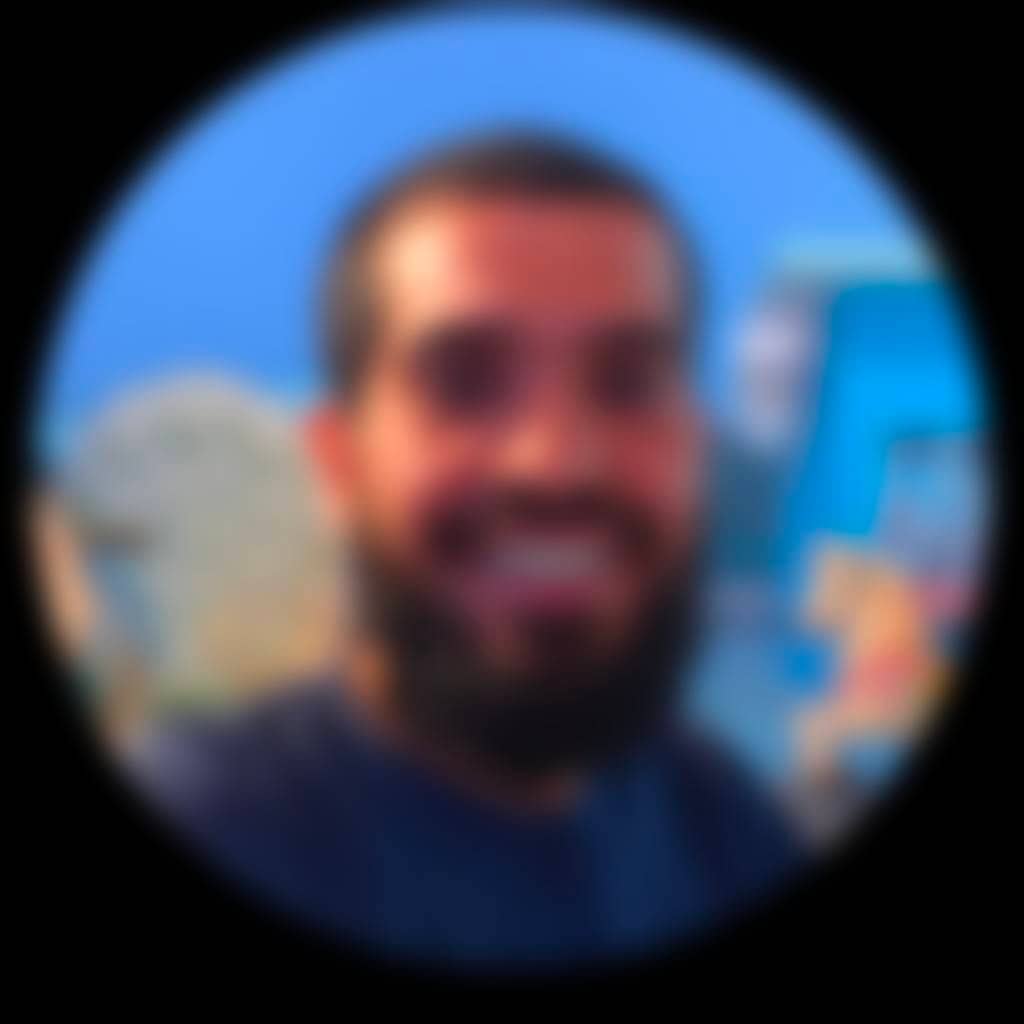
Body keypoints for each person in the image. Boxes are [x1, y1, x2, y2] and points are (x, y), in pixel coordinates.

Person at [128, 132, 802, 969]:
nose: (555, 463)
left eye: (628, 382)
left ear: (693, 449)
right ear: (338, 465)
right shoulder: (209, 826)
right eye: (463, 382)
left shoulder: (728, 825)